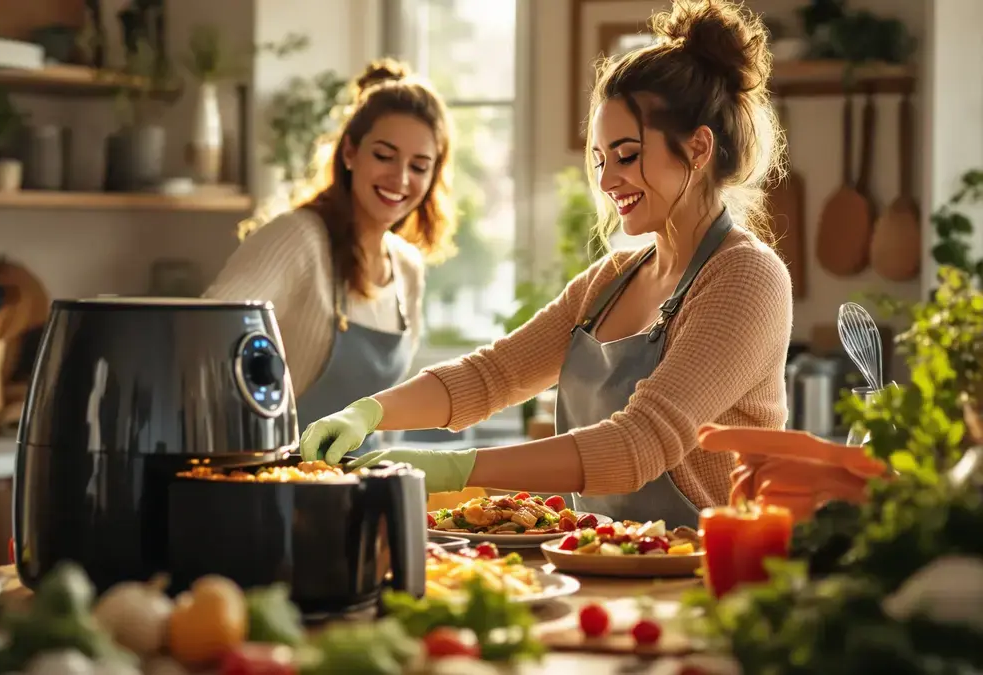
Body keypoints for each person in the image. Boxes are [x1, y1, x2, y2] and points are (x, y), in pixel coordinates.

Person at [299, 0, 793, 527]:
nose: (606, 182)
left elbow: (637, 445)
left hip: (714, 574)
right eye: (599, 160)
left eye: (626, 155)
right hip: (608, 566)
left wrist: (452, 468)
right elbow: (492, 375)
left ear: (697, 149)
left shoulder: (746, 278)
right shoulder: (611, 282)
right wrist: (369, 411)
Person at [204, 59, 457, 453]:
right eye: (384, 156)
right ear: (350, 153)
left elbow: (389, 415)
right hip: (277, 486)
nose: (401, 178)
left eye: (419, 166)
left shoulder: (408, 269)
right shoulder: (297, 238)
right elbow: (205, 332)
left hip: (364, 493)